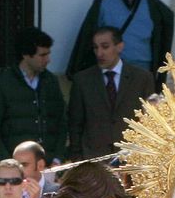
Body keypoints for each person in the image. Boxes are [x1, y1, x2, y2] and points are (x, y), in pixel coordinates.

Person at [66, 26, 154, 162]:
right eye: (96, 48)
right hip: (94, 157)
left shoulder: (141, 78)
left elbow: (149, 121)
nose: (99, 53)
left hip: (131, 156)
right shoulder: (83, 80)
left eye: (105, 47)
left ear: (119, 47)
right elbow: (75, 122)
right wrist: (77, 158)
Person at [0, 28, 65, 162]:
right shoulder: (3, 85)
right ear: (26, 55)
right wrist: (9, 164)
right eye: (42, 55)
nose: (48, 60)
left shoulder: (51, 82)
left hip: (48, 163)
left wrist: (57, 158)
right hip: (15, 165)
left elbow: (61, 123)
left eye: (48, 54)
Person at [66, 0, 172, 76]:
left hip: (142, 71)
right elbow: (87, 36)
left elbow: (164, 41)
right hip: (109, 70)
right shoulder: (104, 2)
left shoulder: (154, 6)